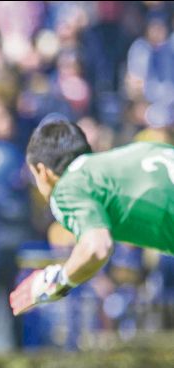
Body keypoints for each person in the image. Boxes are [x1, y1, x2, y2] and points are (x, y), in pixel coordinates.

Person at [10, 115, 174, 316]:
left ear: (43, 171)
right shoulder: (141, 150)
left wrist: (57, 282)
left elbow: (97, 247)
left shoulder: (68, 186)